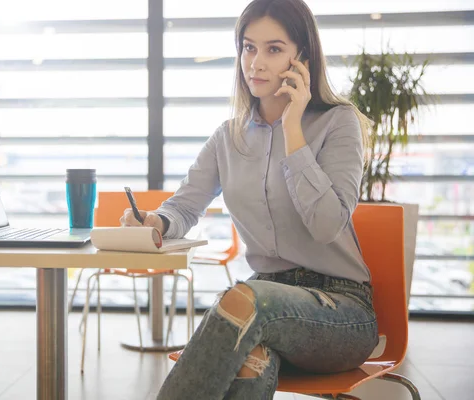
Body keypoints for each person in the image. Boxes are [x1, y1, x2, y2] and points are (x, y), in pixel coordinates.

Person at [120, 0, 378, 398]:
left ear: (301, 58)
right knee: (250, 363)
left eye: (274, 49)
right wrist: (155, 221)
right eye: (248, 47)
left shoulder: (338, 122)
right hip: (263, 302)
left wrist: (293, 129)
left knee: (244, 300)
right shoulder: (229, 136)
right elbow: (185, 205)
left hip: (339, 311)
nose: (255, 62)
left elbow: (327, 226)